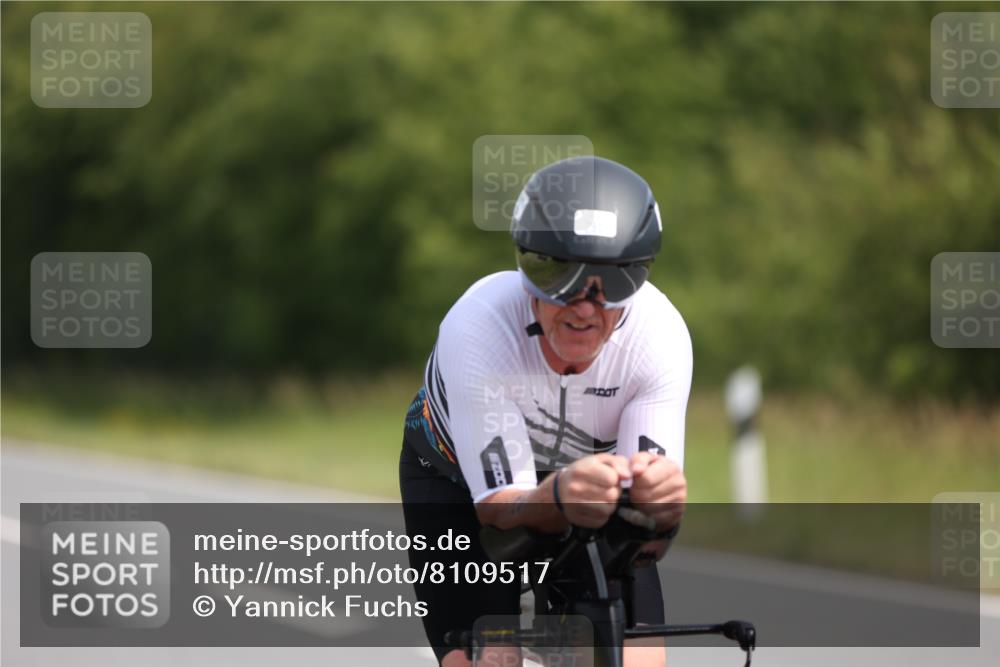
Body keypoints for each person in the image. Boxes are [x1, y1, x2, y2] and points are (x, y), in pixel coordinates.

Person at [399, 156, 692, 667]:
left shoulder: (659, 339)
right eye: (557, 274)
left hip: (588, 487)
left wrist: (661, 511)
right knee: (488, 660)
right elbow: (499, 512)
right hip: (456, 480)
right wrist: (558, 492)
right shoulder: (479, 326)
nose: (584, 305)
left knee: (638, 660)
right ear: (526, 268)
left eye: (613, 283)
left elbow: (644, 532)